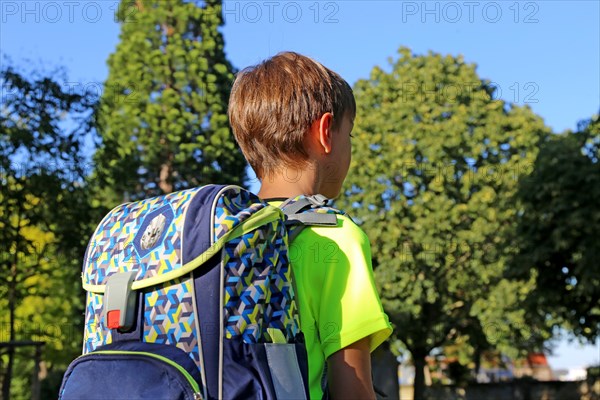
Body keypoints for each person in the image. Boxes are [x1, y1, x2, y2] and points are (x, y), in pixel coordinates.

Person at [228, 51, 392, 400]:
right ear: (325, 133)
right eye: (350, 136)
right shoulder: (336, 238)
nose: (350, 148)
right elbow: (353, 390)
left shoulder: (223, 237)